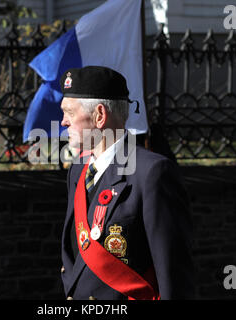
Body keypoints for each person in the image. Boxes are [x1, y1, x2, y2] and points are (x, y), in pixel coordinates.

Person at [59, 66, 194, 300]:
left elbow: (173, 271)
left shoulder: (152, 172)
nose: (62, 122)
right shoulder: (78, 170)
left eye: (69, 113)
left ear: (99, 115)